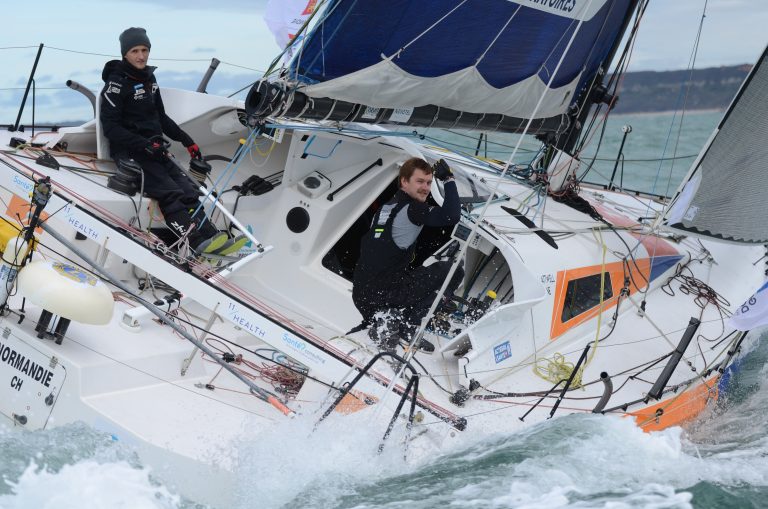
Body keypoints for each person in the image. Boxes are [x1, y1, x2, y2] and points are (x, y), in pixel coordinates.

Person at [100, 27, 245, 256]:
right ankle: (196, 241)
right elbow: (111, 129)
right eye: (135, 51)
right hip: (132, 151)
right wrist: (143, 144)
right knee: (169, 192)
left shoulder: (149, 79)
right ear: (125, 54)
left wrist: (187, 141)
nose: (141, 56)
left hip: (156, 148)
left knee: (189, 188)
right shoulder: (116, 85)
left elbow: (161, 117)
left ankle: (213, 238)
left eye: (145, 50)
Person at [352, 157, 463, 353]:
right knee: (453, 270)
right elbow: (452, 215)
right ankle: (409, 325)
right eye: (420, 182)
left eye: (429, 183)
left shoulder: (386, 208)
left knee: (402, 272)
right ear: (404, 181)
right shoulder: (414, 209)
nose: (426, 188)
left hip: (361, 294)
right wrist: (448, 180)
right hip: (385, 294)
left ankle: (389, 318)